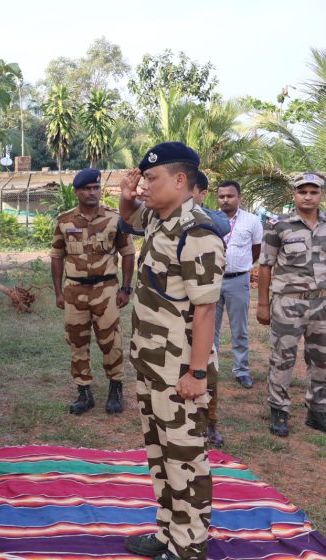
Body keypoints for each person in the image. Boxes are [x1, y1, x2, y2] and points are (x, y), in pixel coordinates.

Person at [119, 142, 225, 560]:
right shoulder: (161, 220)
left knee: (185, 460)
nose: (144, 185)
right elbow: (127, 220)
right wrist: (126, 198)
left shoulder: (196, 232)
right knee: (161, 456)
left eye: (152, 178)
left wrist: (196, 375)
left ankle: (190, 546)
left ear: (180, 181)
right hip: (152, 366)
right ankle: (169, 534)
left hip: (181, 372)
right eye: (144, 178)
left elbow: (205, 311)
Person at [51, 168, 134, 415]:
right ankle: (83, 392)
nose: (92, 192)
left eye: (95, 188)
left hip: (106, 289)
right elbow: (57, 256)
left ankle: (115, 389)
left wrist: (126, 288)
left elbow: (128, 253)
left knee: (112, 341)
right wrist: (58, 292)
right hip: (74, 290)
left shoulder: (114, 218)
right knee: (77, 341)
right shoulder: (64, 220)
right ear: (77, 192)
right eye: (86, 188)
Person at [257, 172, 326, 437]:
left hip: (322, 303)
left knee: (321, 359)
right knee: (283, 358)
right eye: (302, 192)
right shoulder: (278, 225)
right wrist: (263, 304)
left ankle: (317, 410)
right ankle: (279, 410)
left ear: (320, 194)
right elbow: (265, 266)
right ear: (294, 195)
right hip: (289, 303)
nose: (307, 196)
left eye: (313, 192)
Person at [193, 171, 231, 448]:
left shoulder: (212, 219)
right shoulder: (161, 217)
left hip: (202, 305)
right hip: (170, 313)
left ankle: (212, 422)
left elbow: (223, 223)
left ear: (201, 194)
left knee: (209, 369)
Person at [215, 179, 262, 391]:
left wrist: (240, 266)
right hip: (212, 281)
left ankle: (241, 370)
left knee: (239, 329)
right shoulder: (210, 218)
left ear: (239, 198)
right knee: (209, 328)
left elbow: (256, 251)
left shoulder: (252, 221)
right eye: (221, 196)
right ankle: (209, 369)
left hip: (238, 280)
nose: (225, 200)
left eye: (230, 196)